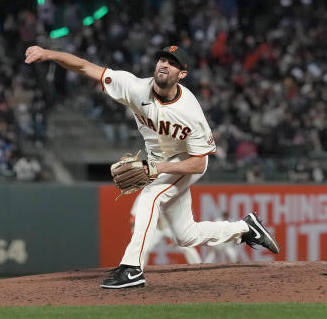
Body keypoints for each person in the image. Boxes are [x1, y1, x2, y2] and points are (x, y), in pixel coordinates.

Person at [25, 43, 280, 289]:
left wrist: (157, 169)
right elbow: (85, 68)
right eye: (162, 60)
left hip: (185, 163)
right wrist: (49, 53)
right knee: (185, 235)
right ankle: (245, 228)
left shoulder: (190, 113)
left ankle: (132, 268)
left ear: (182, 74)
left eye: (172, 64)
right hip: (159, 164)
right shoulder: (135, 87)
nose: (164, 65)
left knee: (150, 194)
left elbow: (199, 163)